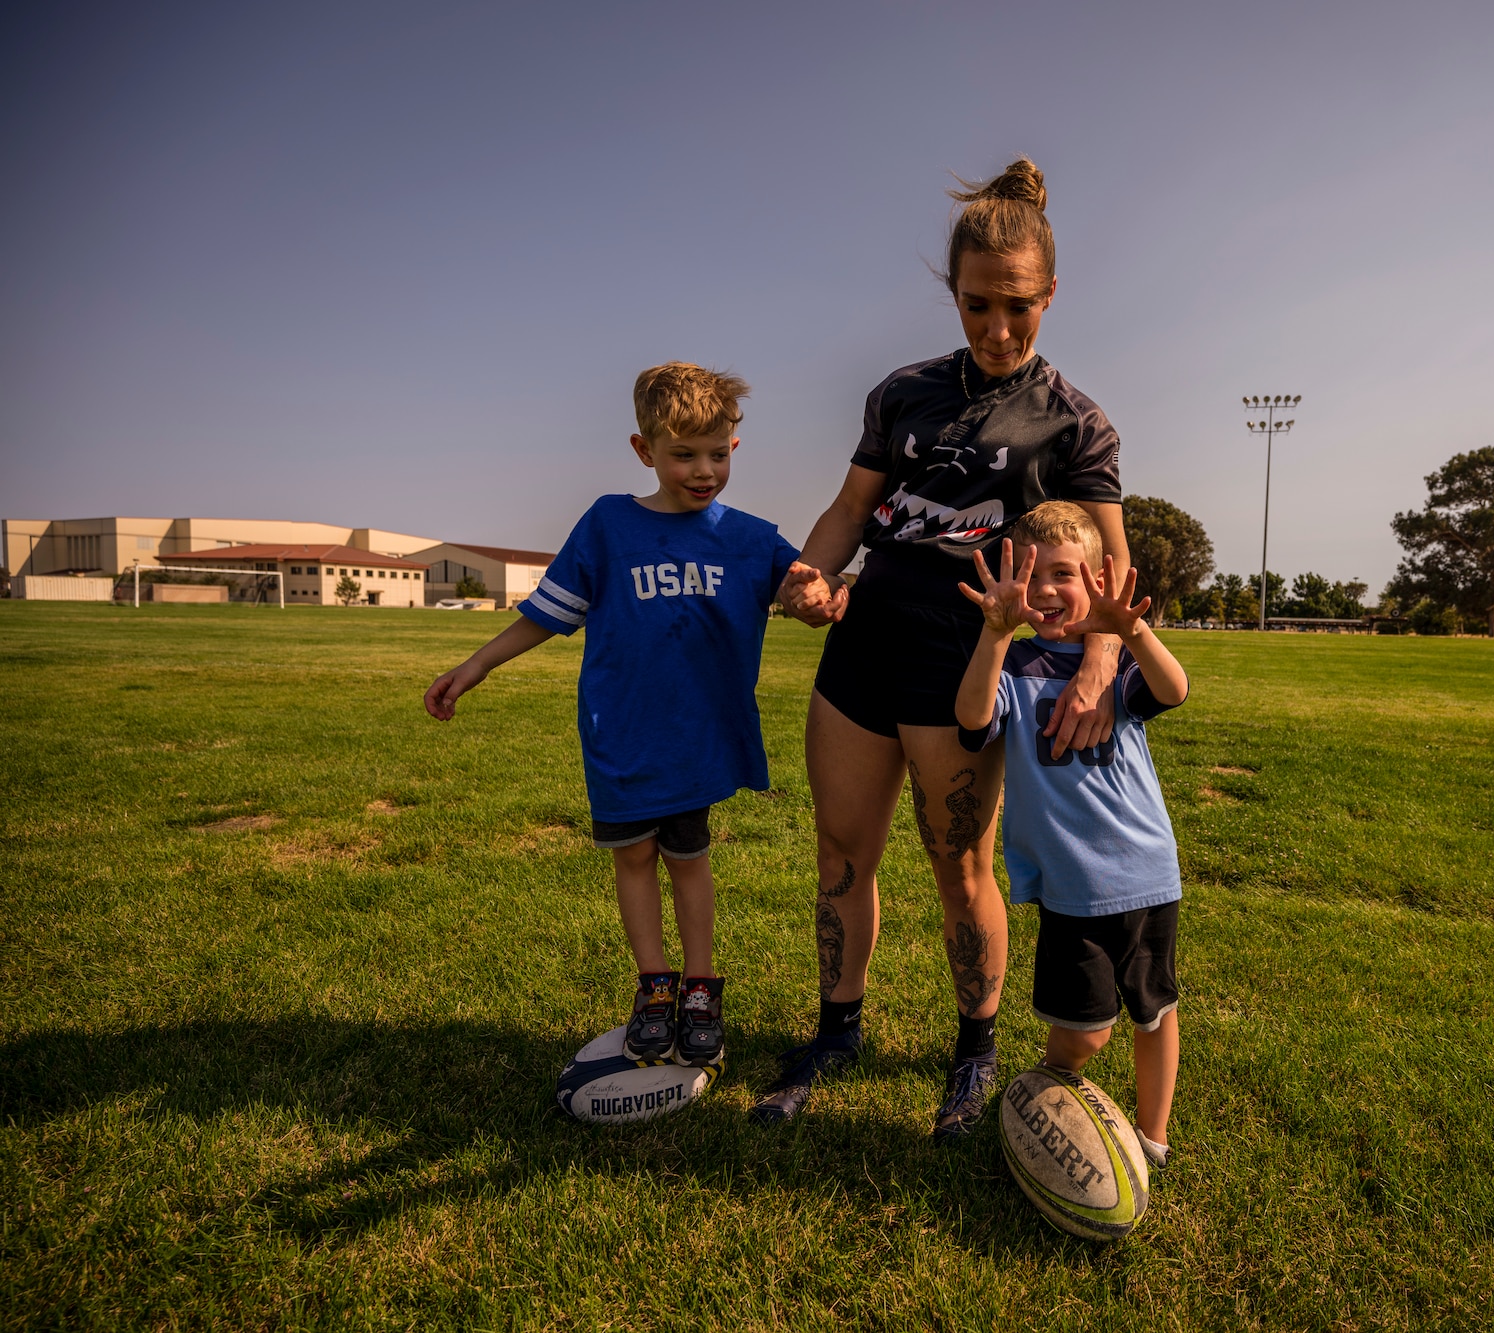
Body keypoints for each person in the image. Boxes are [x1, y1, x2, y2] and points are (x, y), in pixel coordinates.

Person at [758, 158, 1133, 1139]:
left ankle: (973, 1050)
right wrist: (809, 575)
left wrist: (1095, 671)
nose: (997, 328)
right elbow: (847, 513)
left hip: (964, 658)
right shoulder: (903, 393)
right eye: (977, 306)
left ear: (1050, 294)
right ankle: (836, 1030)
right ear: (952, 294)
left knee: (956, 863)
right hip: (867, 636)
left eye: (1017, 306)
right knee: (840, 849)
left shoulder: (1076, 423)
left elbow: (1112, 582)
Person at [423, 363, 804, 1072]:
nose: (703, 469)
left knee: (689, 857)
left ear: (735, 448)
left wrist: (820, 592)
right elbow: (546, 613)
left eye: (717, 452)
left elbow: (808, 588)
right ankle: (654, 987)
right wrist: (476, 665)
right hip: (622, 733)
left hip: (696, 738)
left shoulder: (751, 538)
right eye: (683, 454)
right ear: (643, 450)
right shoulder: (607, 524)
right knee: (633, 857)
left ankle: (700, 989)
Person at [953, 503, 1187, 1168]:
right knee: (1083, 1030)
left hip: (1145, 871)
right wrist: (995, 634)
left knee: (1156, 1009)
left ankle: (1152, 1138)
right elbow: (971, 716)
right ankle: (1044, 1107)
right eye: (1031, 576)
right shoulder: (1017, 665)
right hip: (1070, 885)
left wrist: (1131, 631)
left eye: (1064, 573)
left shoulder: (1113, 664)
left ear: (1096, 579)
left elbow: (1174, 688)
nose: (1048, 590)